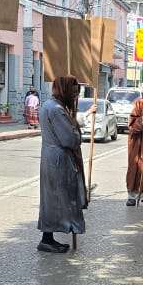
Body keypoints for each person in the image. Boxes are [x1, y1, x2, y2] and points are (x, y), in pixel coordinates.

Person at [37, 76, 89, 253]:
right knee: (60, 199)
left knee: (50, 199)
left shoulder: (49, 106)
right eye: (73, 93)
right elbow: (69, 139)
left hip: (50, 157)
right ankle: (48, 238)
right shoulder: (57, 110)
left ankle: (48, 237)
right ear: (65, 90)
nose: (75, 97)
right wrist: (75, 130)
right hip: (59, 159)